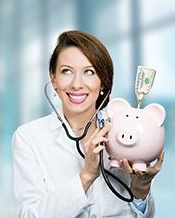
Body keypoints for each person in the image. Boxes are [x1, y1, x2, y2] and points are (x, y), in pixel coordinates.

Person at [11, 30, 164, 218]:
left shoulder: (124, 128)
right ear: (53, 79)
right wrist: (86, 176)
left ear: (103, 82)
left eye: (89, 72)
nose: (77, 84)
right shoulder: (28, 137)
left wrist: (141, 189)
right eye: (66, 71)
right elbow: (28, 215)